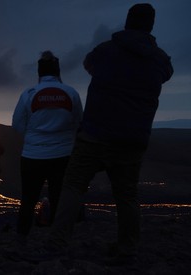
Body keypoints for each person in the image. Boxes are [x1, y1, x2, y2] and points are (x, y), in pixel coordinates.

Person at [43, 3, 173, 264]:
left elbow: (88, 64)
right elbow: (166, 75)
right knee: (126, 194)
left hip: (94, 133)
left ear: (127, 21)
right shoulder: (160, 59)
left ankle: (57, 243)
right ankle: (128, 247)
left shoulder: (105, 51)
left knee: (73, 185)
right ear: (151, 25)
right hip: (132, 139)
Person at [12, 50, 83, 243]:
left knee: (28, 198)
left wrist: (34, 138)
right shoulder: (71, 93)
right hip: (63, 154)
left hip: (33, 155)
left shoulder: (28, 94)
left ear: (39, 72)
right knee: (59, 197)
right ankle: (58, 239)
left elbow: (17, 123)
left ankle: (21, 238)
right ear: (58, 71)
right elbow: (78, 122)